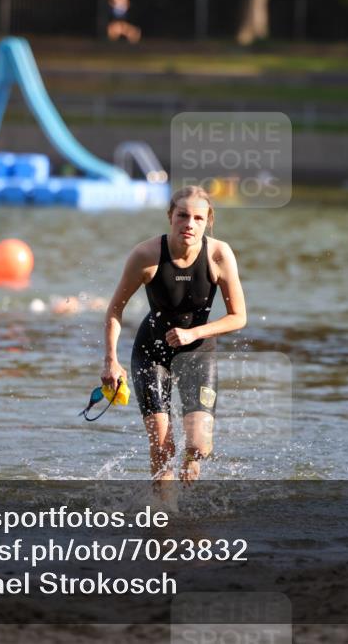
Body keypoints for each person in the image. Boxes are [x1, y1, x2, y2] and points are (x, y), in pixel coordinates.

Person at [101, 186, 246, 485]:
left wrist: (194, 333)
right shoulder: (146, 255)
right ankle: (163, 509)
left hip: (198, 351)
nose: (189, 224)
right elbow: (115, 310)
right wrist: (111, 361)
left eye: (198, 218)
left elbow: (238, 317)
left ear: (208, 221)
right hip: (152, 352)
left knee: (199, 446)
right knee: (162, 447)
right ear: (170, 216)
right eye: (182, 216)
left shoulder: (219, 254)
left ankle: (191, 464)